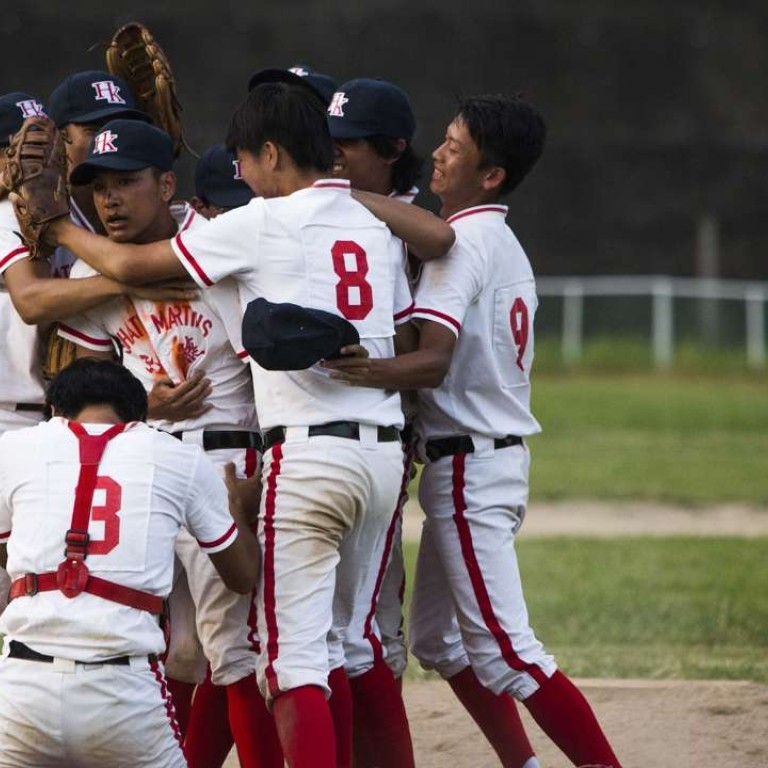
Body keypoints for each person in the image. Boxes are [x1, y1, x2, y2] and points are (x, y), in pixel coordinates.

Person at [43, 80, 454, 768]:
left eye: (247, 160)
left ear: (270, 153)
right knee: (342, 645)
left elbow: (131, 265)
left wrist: (55, 219)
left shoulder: (261, 221)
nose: (246, 176)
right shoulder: (372, 226)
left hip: (298, 452)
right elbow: (418, 282)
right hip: (378, 454)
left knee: (286, 663)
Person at [323, 94, 623, 768]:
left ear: (491, 174)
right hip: (483, 459)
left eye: (456, 146)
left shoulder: (465, 244)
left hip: (470, 467)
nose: (439, 152)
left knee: (508, 650)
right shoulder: (500, 237)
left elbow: (432, 362)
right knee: (437, 640)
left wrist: (353, 371)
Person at [54, 118, 276, 768]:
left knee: (232, 650)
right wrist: (138, 403)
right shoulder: (100, 261)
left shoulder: (214, 246)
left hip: (222, 456)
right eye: (98, 188)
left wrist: (261, 468)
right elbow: (81, 382)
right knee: (176, 649)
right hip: (142, 459)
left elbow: (264, 371)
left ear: (167, 183)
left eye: (127, 183)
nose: (110, 200)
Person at [0, 357, 259, 768]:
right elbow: (242, 577)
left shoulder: (13, 448)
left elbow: (6, 554)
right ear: (140, 417)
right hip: (124, 689)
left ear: (54, 411)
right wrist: (239, 512)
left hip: (22, 685)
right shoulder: (176, 455)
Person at [0, 93, 193, 616]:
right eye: (25, 145)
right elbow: (32, 300)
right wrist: (131, 277)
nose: (43, 156)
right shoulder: (9, 214)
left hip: (45, 420)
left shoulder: (81, 223)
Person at [327, 76, 425, 766]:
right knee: (341, 626)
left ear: (392, 149)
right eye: (325, 143)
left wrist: (339, 194)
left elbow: (437, 240)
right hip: (344, 438)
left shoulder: (409, 214)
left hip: (389, 431)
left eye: (349, 145)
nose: (335, 156)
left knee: (370, 627)